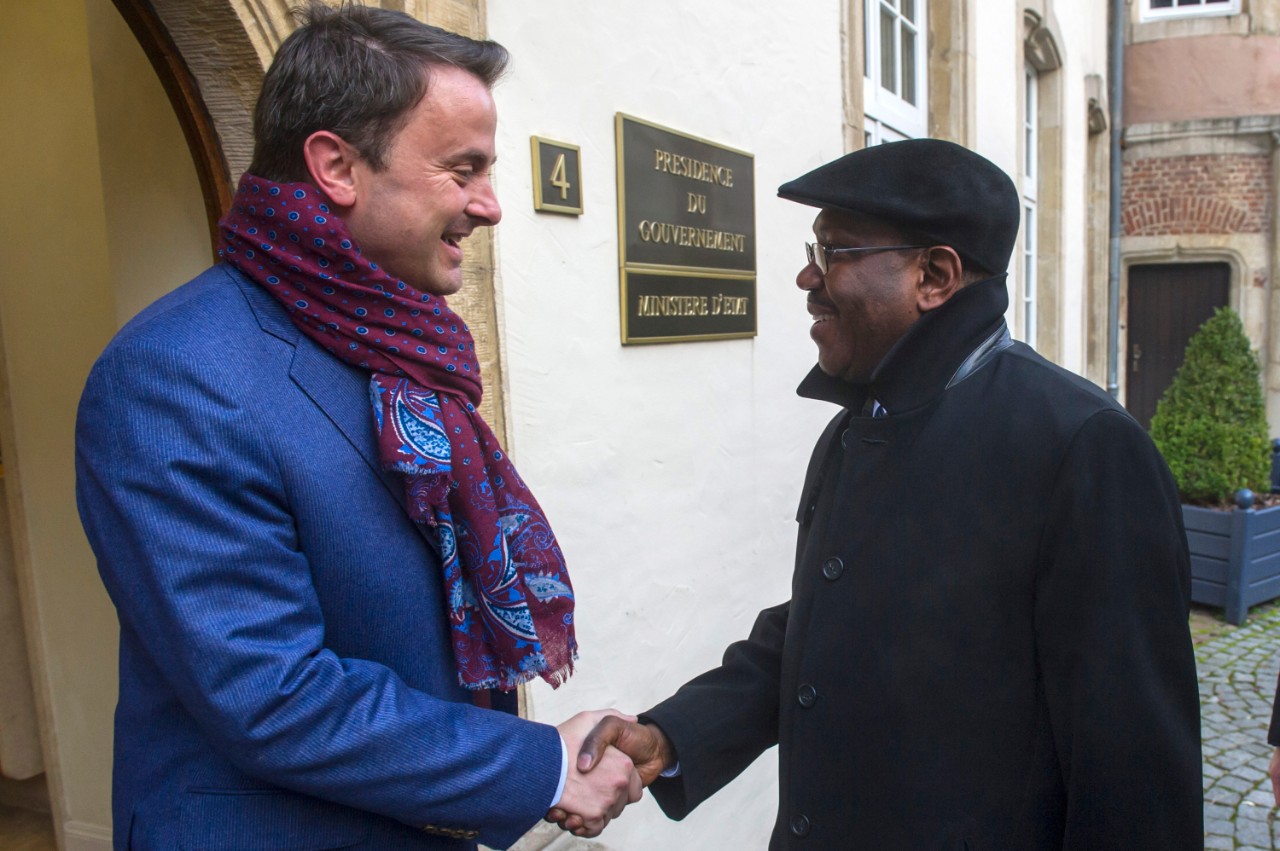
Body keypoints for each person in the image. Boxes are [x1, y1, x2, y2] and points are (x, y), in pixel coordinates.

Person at [74, 5, 639, 849]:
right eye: (465, 168)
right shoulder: (174, 376)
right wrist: (540, 765)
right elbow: (273, 694)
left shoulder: (398, 345)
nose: (489, 206)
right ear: (336, 166)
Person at [563, 139, 1204, 848]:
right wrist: (669, 735)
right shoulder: (856, 428)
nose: (808, 274)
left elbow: (1135, 776)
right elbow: (819, 631)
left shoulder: (1084, 447)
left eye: (835, 250)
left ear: (934, 275)